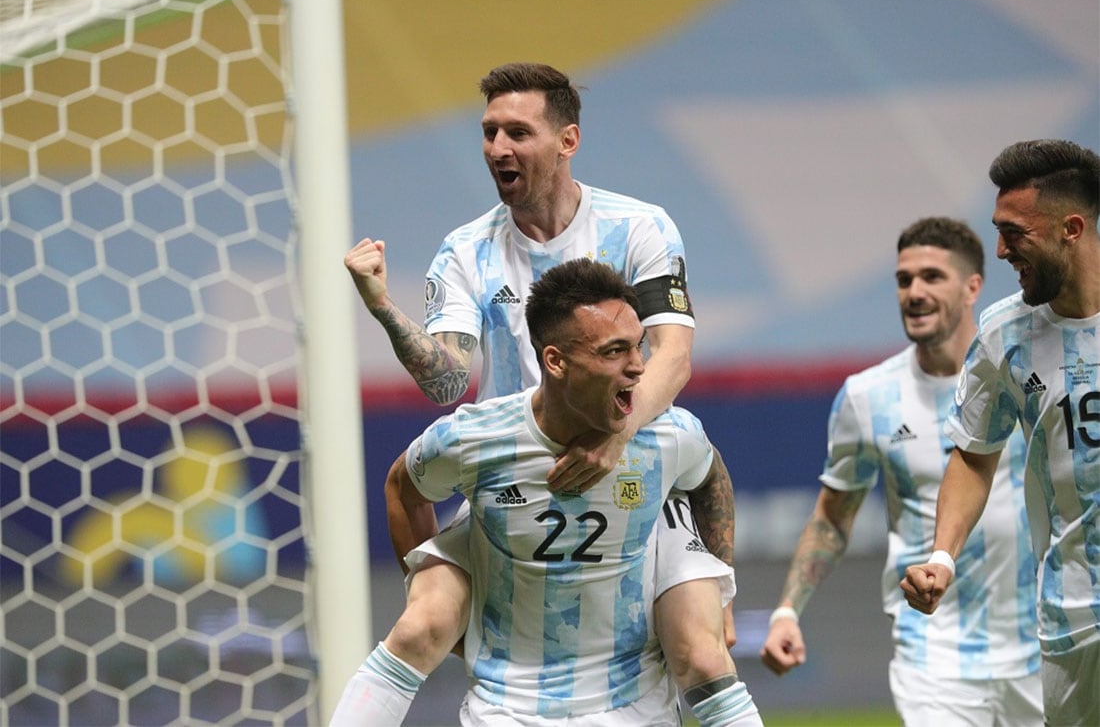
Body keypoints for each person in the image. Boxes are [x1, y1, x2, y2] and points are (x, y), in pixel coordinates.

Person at [342, 63, 741, 718]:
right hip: (514, 477)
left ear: (567, 140)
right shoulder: (464, 251)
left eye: (517, 132)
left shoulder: (640, 228)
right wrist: (384, 307)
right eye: (489, 131)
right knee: (419, 627)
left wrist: (618, 434)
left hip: (632, 462)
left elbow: (674, 354)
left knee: (701, 656)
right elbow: (447, 382)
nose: (498, 147)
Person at [333, 259, 761, 725]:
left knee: (705, 657)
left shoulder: (668, 435)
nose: (639, 367)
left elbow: (710, 475)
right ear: (555, 361)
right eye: (615, 351)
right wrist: (429, 590)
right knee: (420, 626)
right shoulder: (473, 440)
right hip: (508, 702)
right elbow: (403, 489)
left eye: (638, 347)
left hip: (634, 702)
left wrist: (722, 592)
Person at [759, 216, 1042, 724]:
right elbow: (832, 518)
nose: (914, 291)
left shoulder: (1026, 376)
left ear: (973, 286)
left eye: (932, 277)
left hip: (1040, 644)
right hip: (933, 654)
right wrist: (786, 612)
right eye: (904, 279)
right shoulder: (868, 397)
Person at [901, 139, 1100, 727]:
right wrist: (942, 555)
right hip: (1074, 615)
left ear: (1070, 227)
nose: (1001, 249)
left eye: (1015, 232)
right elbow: (973, 456)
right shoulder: (1004, 333)